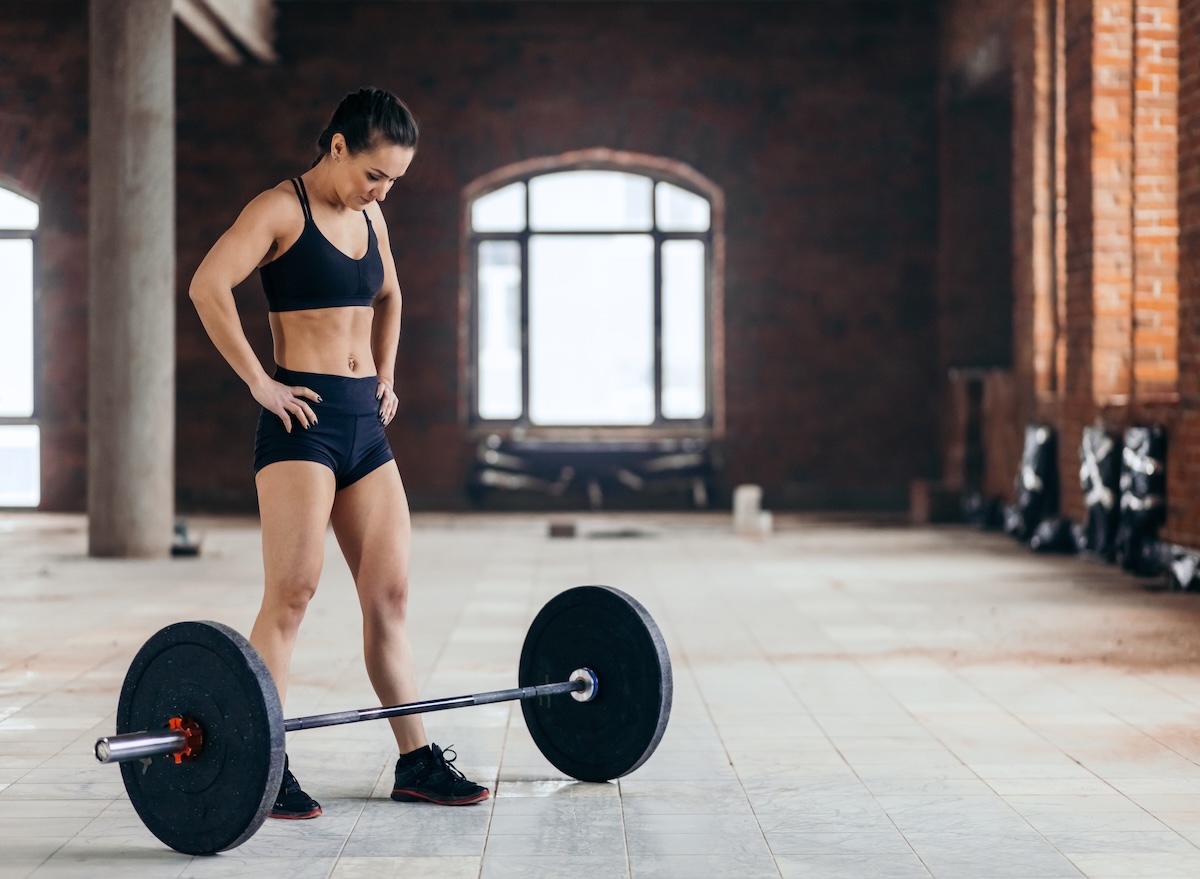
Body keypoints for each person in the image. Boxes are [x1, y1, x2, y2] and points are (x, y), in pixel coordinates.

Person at [188, 87, 489, 818]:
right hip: (303, 424)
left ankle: (416, 760)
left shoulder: (371, 216)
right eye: (374, 174)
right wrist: (261, 381)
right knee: (291, 595)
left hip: (363, 424)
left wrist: (385, 375)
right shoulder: (279, 210)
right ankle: (268, 762)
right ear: (337, 147)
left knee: (389, 597)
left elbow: (392, 296)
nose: (381, 190)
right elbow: (207, 286)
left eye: (392, 181)